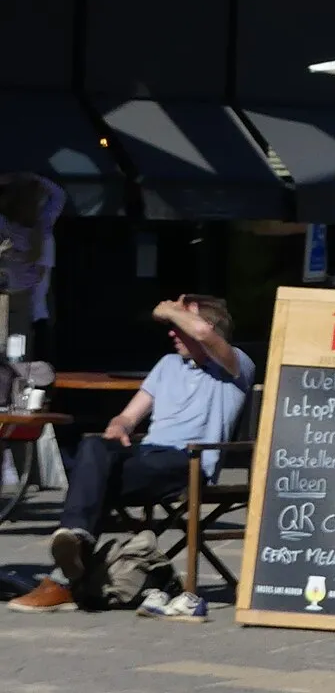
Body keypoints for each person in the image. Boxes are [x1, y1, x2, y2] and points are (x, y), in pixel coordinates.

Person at [9, 294, 253, 614]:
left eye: (179, 324)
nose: (171, 331)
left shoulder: (235, 365)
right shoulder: (167, 365)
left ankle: (63, 580)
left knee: (93, 481)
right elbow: (129, 416)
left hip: (186, 461)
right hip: (146, 455)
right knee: (93, 448)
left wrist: (167, 309)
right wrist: (120, 425)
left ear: (205, 326)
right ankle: (75, 543)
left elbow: (206, 336)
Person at [0, 172, 62, 357]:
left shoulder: (39, 231)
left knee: (17, 360)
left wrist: (18, 178)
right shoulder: (41, 230)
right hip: (28, 307)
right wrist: (31, 177)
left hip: (25, 306)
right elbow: (59, 196)